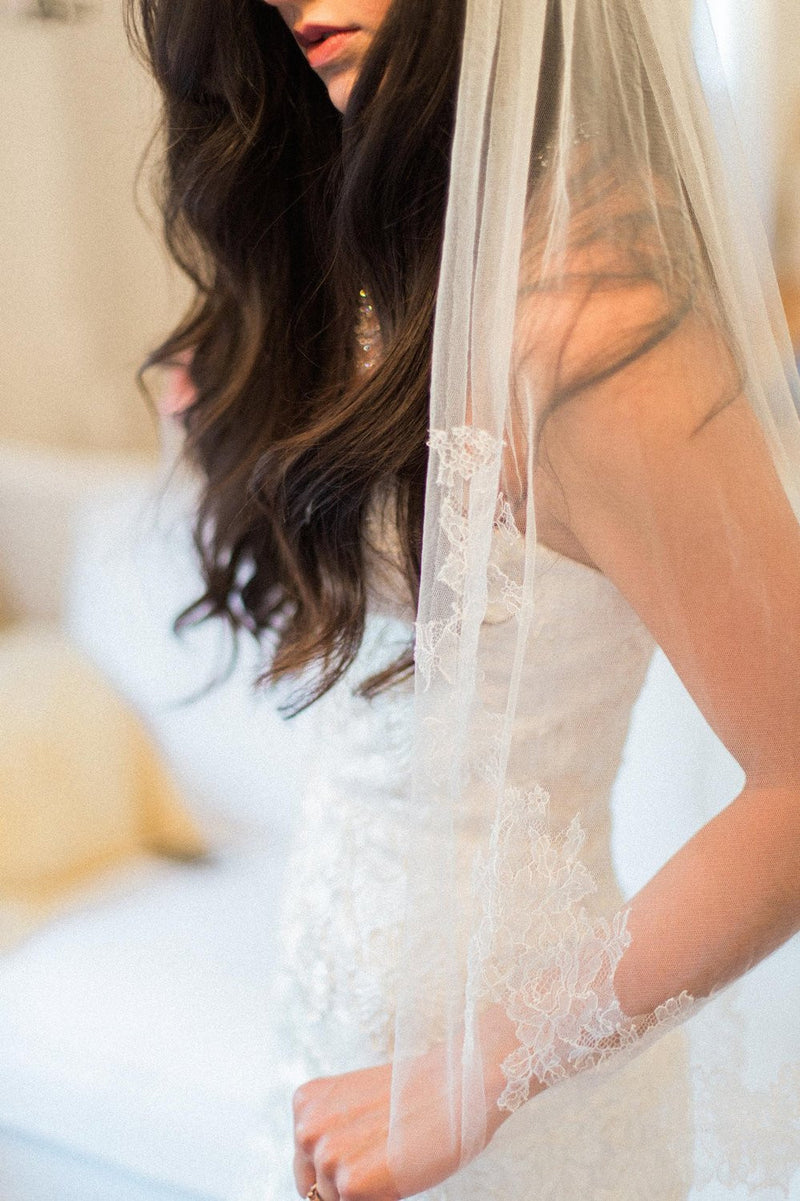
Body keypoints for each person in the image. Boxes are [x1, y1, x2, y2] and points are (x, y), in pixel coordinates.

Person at [127, 0, 800, 1197]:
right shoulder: (404, 254)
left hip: (502, 1105)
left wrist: (474, 1076)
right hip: (333, 1035)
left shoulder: (597, 325)